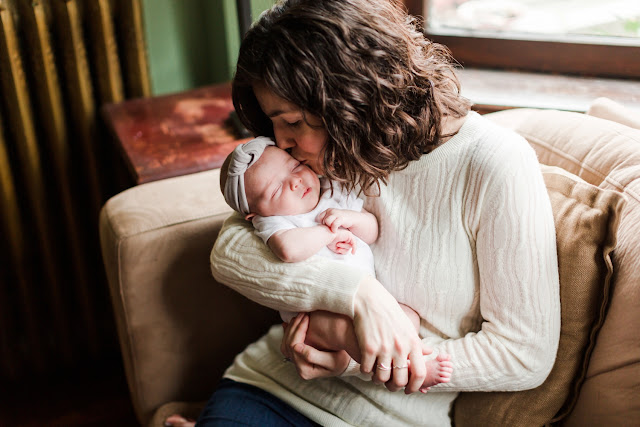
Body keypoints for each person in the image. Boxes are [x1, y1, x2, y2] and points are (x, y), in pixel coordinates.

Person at [166, 0, 561, 425]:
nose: (280, 143)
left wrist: (354, 356)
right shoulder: (327, 160)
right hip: (271, 388)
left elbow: (524, 354)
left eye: (294, 121)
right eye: (274, 124)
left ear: (352, 97)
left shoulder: (492, 164)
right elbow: (230, 252)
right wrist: (359, 294)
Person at [220, 136, 453, 385]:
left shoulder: (333, 192)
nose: (295, 181)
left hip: (370, 307)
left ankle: (410, 355)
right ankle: (407, 371)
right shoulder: (274, 221)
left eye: (294, 167)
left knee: (407, 317)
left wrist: (349, 219)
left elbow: (372, 230)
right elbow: (289, 249)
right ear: (254, 215)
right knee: (350, 332)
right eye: (276, 190)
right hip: (316, 318)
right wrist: (330, 232)